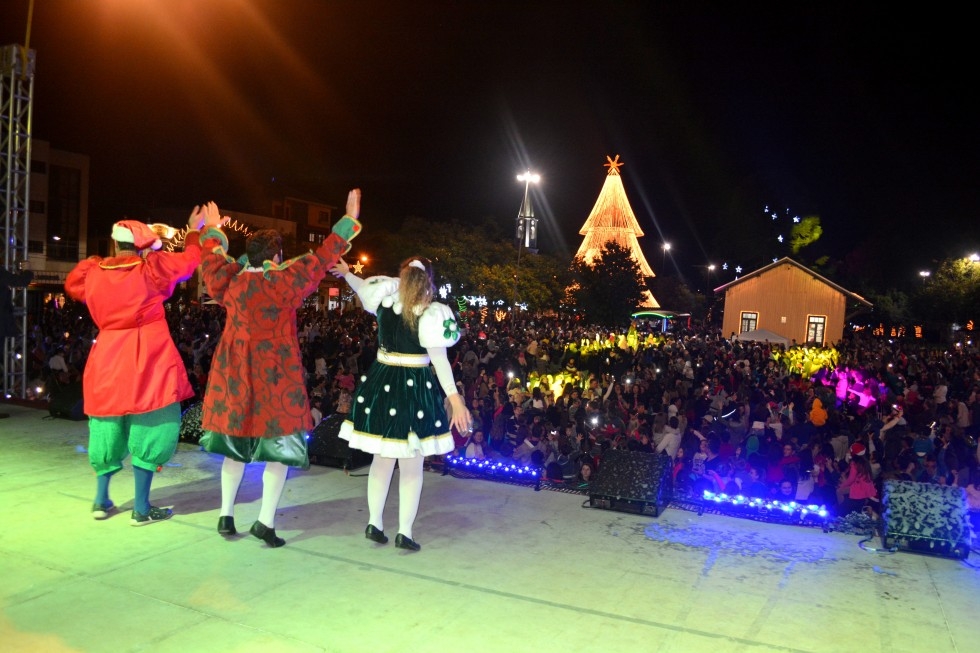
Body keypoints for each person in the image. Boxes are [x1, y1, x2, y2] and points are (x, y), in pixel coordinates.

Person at [199, 190, 362, 548]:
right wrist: (348, 220)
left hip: (236, 376)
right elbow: (321, 258)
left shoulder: (231, 282)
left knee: (233, 449)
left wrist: (212, 229)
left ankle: (226, 515)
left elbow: (212, 259)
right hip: (276, 379)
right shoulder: (286, 282)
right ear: (276, 256)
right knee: (280, 451)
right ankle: (264, 523)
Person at [65, 204, 222, 524]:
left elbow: (73, 286)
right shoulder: (149, 270)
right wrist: (194, 231)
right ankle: (141, 507)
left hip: (107, 355)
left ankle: (101, 500)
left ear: (115, 244)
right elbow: (190, 261)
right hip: (147, 355)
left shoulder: (93, 272)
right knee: (153, 422)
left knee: (107, 425)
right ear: (142, 246)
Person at [332, 255, 471, 552]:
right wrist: (454, 398)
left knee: (381, 460)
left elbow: (363, 287)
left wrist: (347, 274)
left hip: (381, 383)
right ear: (428, 281)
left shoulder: (385, 300)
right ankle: (404, 532)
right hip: (413, 388)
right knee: (411, 466)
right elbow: (440, 361)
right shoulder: (429, 312)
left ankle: (374, 522)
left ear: (402, 276)